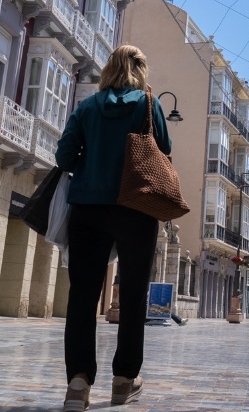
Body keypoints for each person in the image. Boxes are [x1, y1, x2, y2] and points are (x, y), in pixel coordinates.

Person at [55, 45, 173, 411]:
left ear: (109, 69)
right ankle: (124, 379)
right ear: (141, 69)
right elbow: (164, 149)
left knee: (83, 295)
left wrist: (92, 163)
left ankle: (78, 383)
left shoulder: (88, 106)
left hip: (88, 208)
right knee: (134, 295)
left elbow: (64, 156)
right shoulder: (149, 104)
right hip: (136, 208)